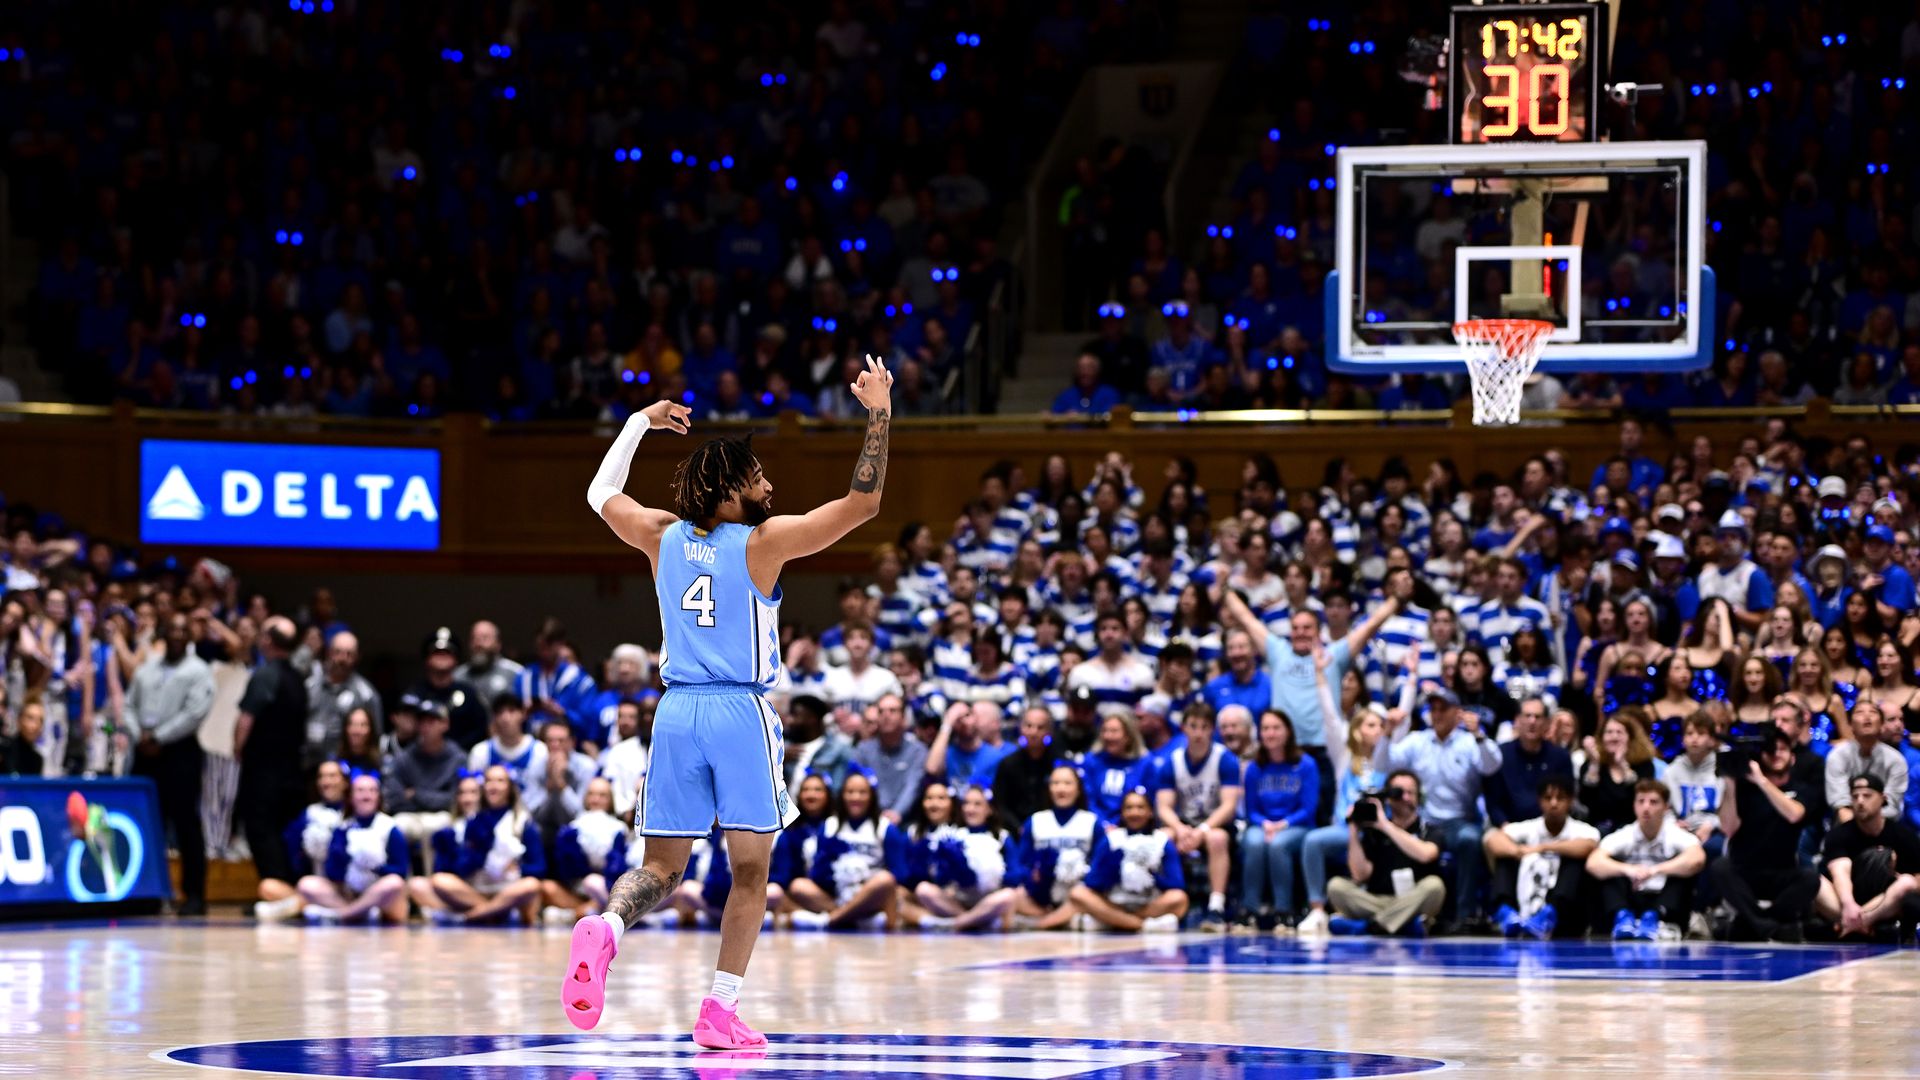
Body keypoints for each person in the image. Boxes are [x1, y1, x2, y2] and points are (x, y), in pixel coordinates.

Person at [568, 360, 894, 1048]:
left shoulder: (659, 536)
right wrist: (879, 413)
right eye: (759, 478)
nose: (770, 486)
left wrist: (636, 423)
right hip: (740, 712)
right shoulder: (763, 544)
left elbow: (601, 492)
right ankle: (719, 1011)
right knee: (750, 870)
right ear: (730, 490)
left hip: (677, 713)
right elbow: (863, 504)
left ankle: (610, 926)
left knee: (662, 866)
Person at [1378, 686, 1501, 928]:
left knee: (1469, 840)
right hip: (1425, 821)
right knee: (1397, 838)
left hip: (1460, 820)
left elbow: (1492, 765)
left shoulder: (1468, 742)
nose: (1437, 714)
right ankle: (1414, 912)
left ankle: (1464, 914)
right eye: (1433, 709)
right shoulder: (1417, 741)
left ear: (1457, 713)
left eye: (1443, 709)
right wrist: (1387, 733)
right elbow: (1384, 765)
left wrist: (1478, 734)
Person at [127, 612, 216, 916]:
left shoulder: (199, 671)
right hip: (144, 751)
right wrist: (139, 733)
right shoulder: (146, 670)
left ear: (189, 636)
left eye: (183, 630)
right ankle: (146, 893)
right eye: (172, 629)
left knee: (186, 824)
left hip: (180, 753)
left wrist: (160, 737)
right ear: (163, 633)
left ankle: (193, 894)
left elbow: (194, 713)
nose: (177, 635)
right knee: (147, 823)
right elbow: (128, 705)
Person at [1713, 726, 1820, 941]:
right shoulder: (1745, 788)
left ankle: (1751, 924)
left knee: (1811, 878)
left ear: (1792, 757)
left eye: (1782, 749)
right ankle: (1771, 928)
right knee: (1719, 867)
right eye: (1771, 749)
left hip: (1783, 872)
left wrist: (1762, 781)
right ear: (1762, 755)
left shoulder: (1801, 788)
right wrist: (1731, 785)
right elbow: (1728, 828)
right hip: (1745, 870)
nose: (1777, 753)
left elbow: (1794, 814)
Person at [412, 764, 547, 925]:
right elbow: (455, 868)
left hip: (507, 889)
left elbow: (539, 866)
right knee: (439, 880)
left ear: (510, 787)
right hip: (474, 888)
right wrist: (473, 858)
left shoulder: (522, 822)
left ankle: (471, 916)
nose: (494, 786)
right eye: (489, 781)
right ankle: (492, 911)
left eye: (500, 781)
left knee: (531, 885)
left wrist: (517, 869)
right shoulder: (471, 821)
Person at [1153, 703, 1242, 929]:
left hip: (1214, 823)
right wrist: (1181, 829)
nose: (1198, 733)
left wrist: (1202, 830)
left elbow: (1229, 806)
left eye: (1204, 727)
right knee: (1162, 836)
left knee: (1217, 839)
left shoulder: (1225, 759)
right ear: (1184, 728)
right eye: (1193, 726)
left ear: (1212, 730)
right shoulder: (1171, 762)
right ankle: (1168, 899)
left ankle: (1216, 906)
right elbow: (1163, 807)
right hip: (1184, 823)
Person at [784, 769, 910, 929]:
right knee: (799, 886)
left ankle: (831, 920)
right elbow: (817, 873)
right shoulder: (830, 826)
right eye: (850, 792)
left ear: (871, 796)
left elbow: (899, 873)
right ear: (842, 795)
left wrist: (866, 880)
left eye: (862, 792)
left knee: (885, 880)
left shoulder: (885, 828)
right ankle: (853, 918)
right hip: (836, 894)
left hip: (870, 893)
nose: (855, 797)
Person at [1326, 770, 1445, 937]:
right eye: (1398, 793)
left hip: (1413, 899)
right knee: (1336, 886)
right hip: (1377, 900)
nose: (1405, 798)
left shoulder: (1429, 830)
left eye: (1410, 792)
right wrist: (1353, 831)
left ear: (1419, 796)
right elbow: (1360, 875)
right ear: (1389, 798)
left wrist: (1386, 826)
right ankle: (1402, 925)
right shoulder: (1374, 831)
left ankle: (1367, 926)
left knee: (1434, 886)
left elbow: (1426, 854)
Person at [1585, 780, 1706, 941]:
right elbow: (1593, 862)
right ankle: (1623, 917)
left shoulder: (1675, 834)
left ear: (1665, 807)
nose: (1646, 807)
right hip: (1633, 897)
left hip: (1665, 903)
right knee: (1609, 867)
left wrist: (1655, 870)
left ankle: (1654, 919)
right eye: (1641, 801)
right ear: (1634, 805)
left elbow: (1697, 859)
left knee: (1683, 871)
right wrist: (1629, 869)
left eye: (1653, 802)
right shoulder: (1626, 834)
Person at [1485, 773, 1598, 939]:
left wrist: (1542, 848)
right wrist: (1517, 851)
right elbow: (1493, 839)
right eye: (1548, 798)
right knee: (1505, 855)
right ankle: (1506, 913)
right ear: (1540, 801)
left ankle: (1549, 915)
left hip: (1564, 913)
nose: (1553, 803)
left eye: (1560, 798)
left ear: (1570, 801)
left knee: (1575, 860)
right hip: (1527, 902)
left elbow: (1588, 845)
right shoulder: (1530, 827)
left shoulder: (1581, 830)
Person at [297, 768, 410, 924]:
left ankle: (343, 915)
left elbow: (401, 871)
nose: (366, 795)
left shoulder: (389, 827)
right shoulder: (342, 828)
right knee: (307, 884)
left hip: (379, 894)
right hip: (349, 893)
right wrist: (345, 858)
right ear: (351, 797)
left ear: (379, 796)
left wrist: (376, 867)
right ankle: (357, 912)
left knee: (394, 883)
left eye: (372, 791)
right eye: (360, 791)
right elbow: (332, 873)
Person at [1066, 787, 1188, 932]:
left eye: (1140, 807)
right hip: (1113, 902)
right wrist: (1112, 871)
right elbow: (1091, 883)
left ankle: (1114, 922)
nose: (1134, 812)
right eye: (1129, 808)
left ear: (1150, 812)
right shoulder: (1111, 840)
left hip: (1149, 903)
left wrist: (1151, 873)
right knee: (1078, 893)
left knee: (1179, 898)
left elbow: (1177, 884)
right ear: (1122, 813)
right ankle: (1141, 925)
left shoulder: (1161, 840)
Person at [1237, 708, 1315, 932]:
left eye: (1276, 728)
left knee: (1278, 845)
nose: (1270, 734)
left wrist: (1283, 824)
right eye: (1265, 729)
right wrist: (1265, 824)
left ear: (1288, 731)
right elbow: (1251, 809)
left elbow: (1308, 809)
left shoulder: (1305, 765)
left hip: (1297, 825)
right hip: (1262, 824)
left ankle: (1284, 911)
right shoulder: (1254, 767)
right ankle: (1249, 910)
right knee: (1253, 842)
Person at [1815, 773, 1920, 938]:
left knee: (1907, 882)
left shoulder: (1902, 835)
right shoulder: (1839, 834)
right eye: (1855, 796)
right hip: (1845, 901)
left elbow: (1917, 877)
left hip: (1883, 903)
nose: (1860, 801)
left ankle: (1855, 923)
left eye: (1867, 795)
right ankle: (1854, 922)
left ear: (1883, 798)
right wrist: (1848, 904)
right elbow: (1840, 872)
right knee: (1812, 880)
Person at [908, 783, 1022, 931]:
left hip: (988, 899)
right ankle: (974, 920)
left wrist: (994, 877)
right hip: (957, 900)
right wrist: (954, 870)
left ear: (990, 809)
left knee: (1009, 896)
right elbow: (940, 878)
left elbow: (1014, 874)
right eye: (966, 803)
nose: (970, 809)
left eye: (977, 804)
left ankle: (958, 923)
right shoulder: (951, 835)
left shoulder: (1002, 836)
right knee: (923, 890)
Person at [254, 759, 348, 922]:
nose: (326, 782)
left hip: (348, 887)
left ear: (346, 782)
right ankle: (310, 907)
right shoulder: (310, 813)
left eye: (333, 776)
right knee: (268, 886)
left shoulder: (355, 812)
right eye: (322, 777)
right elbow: (293, 853)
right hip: (314, 883)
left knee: (308, 886)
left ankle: (314, 909)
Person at [1012, 766, 1103, 930]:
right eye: (1055, 783)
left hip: (1076, 893)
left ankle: (1042, 923)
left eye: (1068, 783)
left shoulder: (1092, 822)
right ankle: (1063, 920)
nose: (1061, 789)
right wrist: (1032, 876)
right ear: (1049, 788)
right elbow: (1021, 863)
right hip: (1042, 895)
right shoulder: (1035, 821)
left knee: (1083, 896)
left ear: (1078, 788)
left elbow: (1099, 867)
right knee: (1013, 896)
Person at [540, 777, 632, 924]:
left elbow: (621, 869)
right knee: (547, 887)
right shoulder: (573, 827)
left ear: (610, 800)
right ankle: (590, 911)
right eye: (592, 794)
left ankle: (580, 914)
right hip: (579, 889)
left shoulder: (620, 829)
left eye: (602, 795)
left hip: (608, 888)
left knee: (593, 882)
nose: (596, 799)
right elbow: (567, 870)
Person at [382, 701, 463, 860]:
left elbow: (455, 800)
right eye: (422, 722)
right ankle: (401, 880)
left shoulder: (457, 758)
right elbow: (394, 798)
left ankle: (438, 879)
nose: (426, 727)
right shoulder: (404, 758)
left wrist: (416, 794)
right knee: (395, 827)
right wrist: (435, 797)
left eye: (431, 722)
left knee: (439, 827)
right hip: (409, 815)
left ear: (445, 724)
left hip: (442, 816)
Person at [1487, 696, 1573, 826]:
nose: (1532, 721)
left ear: (1546, 723)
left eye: (1537, 717)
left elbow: (1566, 799)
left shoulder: (1560, 756)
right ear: (1517, 720)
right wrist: (1505, 828)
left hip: (1550, 828)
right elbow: (1493, 802)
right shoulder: (1500, 754)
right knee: (1492, 841)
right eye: (1527, 716)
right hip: (1508, 829)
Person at [1825, 699, 1908, 823]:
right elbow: (1841, 804)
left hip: (1885, 824)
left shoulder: (1896, 760)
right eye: (1859, 712)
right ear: (1850, 725)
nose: (1867, 716)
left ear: (1881, 725)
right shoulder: (1837, 756)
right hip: (1846, 824)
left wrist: (1870, 821)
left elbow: (1893, 805)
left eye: (1873, 712)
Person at [854, 693, 929, 823]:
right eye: (881, 711)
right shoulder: (863, 750)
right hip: (869, 819)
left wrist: (896, 813)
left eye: (892, 711)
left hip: (906, 820)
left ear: (904, 718)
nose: (886, 715)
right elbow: (858, 786)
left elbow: (912, 786)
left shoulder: (917, 750)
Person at [991, 705, 1062, 824]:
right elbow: (1000, 804)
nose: (1034, 732)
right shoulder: (1008, 764)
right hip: (1014, 829)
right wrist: (1019, 828)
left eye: (1040, 727)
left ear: (1049, 731)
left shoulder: (1058, 764)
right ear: (1020, 728)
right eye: (1029, 726)